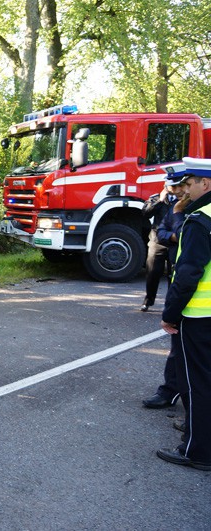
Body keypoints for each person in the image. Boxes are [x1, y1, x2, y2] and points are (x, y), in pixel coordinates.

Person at [157, 156, 211, 471]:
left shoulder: (199, 220)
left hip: (199, 316)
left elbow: (189, 273)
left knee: (197, 383)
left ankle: (197, 450)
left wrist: (170, 313)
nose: (184, 191)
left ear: (206, 183)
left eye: (189, 184)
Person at [142, 170, 188, 408]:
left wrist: (177, 224)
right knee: (179, 344)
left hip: (193, 288)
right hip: (180, 278)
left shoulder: (189, 210)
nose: (181, 190)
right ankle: (172, 391)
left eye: (186, 185)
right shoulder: (172, 204)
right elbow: (160, 230)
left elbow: (183, 234)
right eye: (178, 186)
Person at [140, 183, 173, 311]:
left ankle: (170, 304)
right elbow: (145, 213)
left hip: (174, 241)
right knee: (152, 272)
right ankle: (148, 300)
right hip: (157, 240)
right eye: (170, 186)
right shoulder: (156, 198)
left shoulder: (183, 199)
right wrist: (160, 200)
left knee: (173, 275)